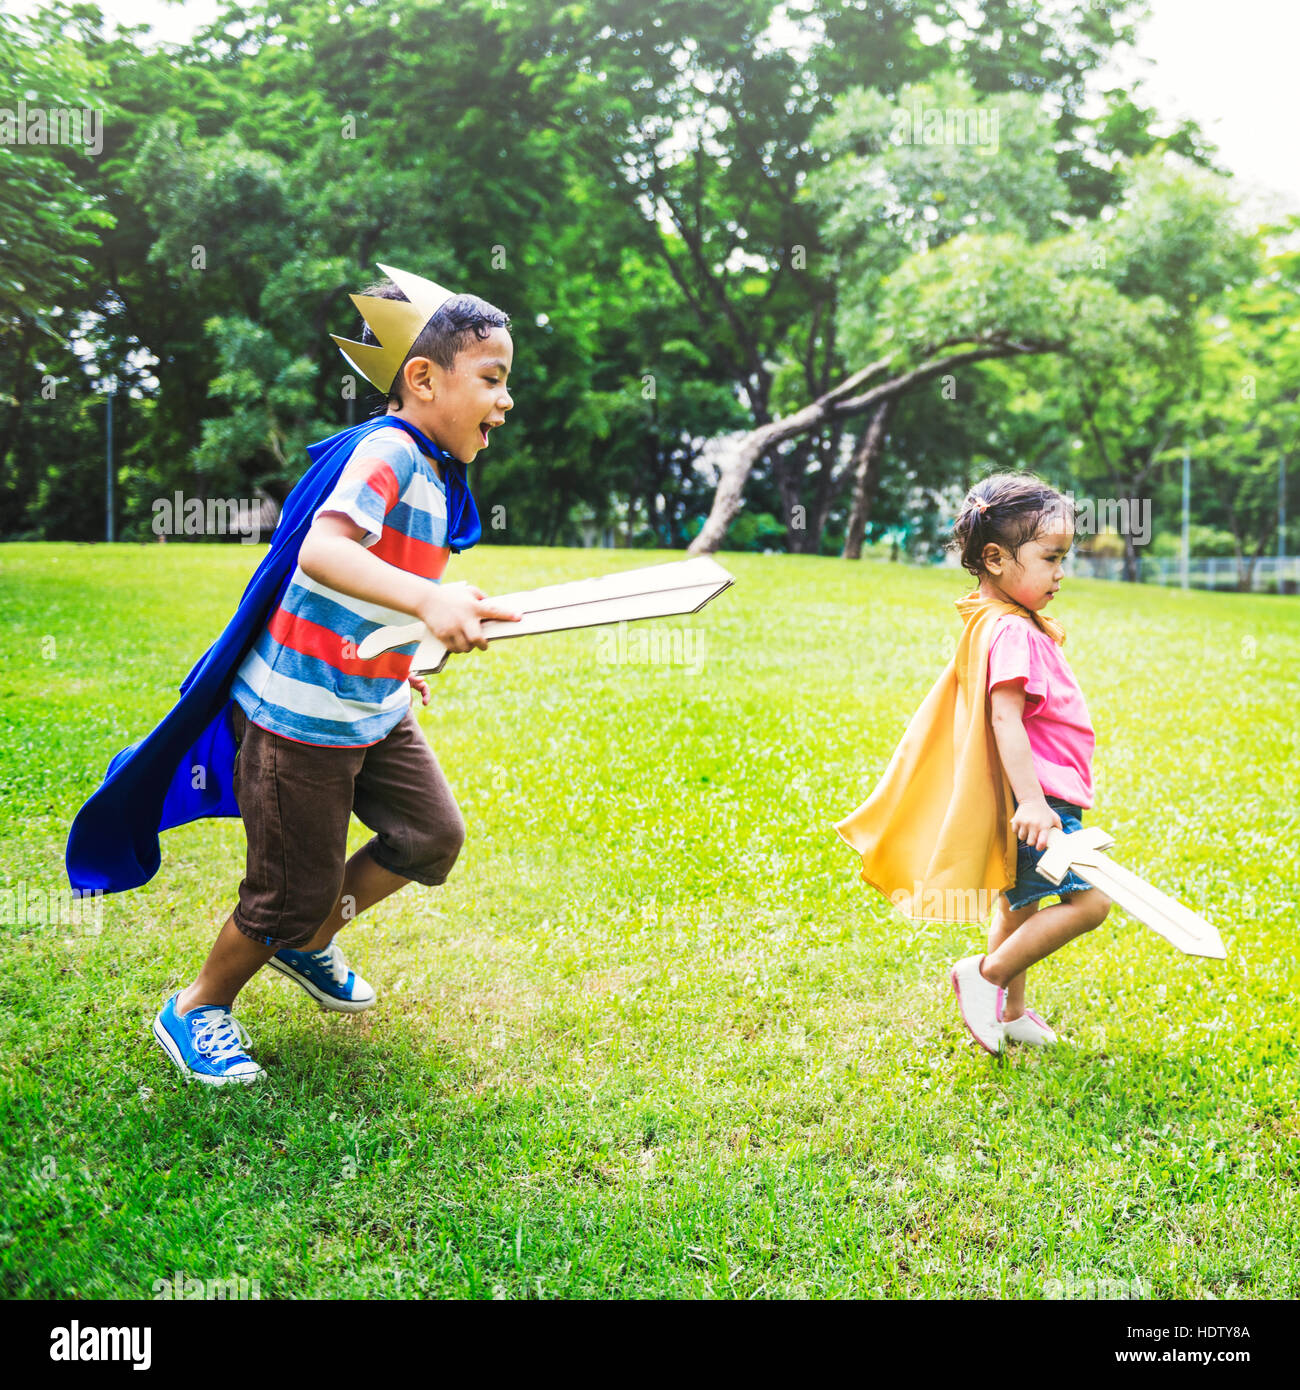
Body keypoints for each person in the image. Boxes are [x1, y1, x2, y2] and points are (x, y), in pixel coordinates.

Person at [67, 262, 520, 1083]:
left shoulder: (430, 470)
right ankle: (198, 1004)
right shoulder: (386, 452)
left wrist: (406, 648)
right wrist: (428, 599)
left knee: (429, 837)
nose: (506, 400)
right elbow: (322, 550)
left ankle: (309, 943)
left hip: (370, 703)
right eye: (492, 379)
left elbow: (361, 592)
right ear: (422, 379)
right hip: (297, 721)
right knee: (286, 893)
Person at [836, 472, 1111, 1055]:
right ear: (994, 558)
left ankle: (1011, 1013)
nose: (1062, 572)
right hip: (1039, 803)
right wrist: (1035, 804)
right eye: (1051, 557)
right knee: (1091, 903)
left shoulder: (995, 619)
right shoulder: (1010, 629)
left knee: (1020, 904)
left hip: (1037, 799)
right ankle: (983, 977)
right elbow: (1004, 720)